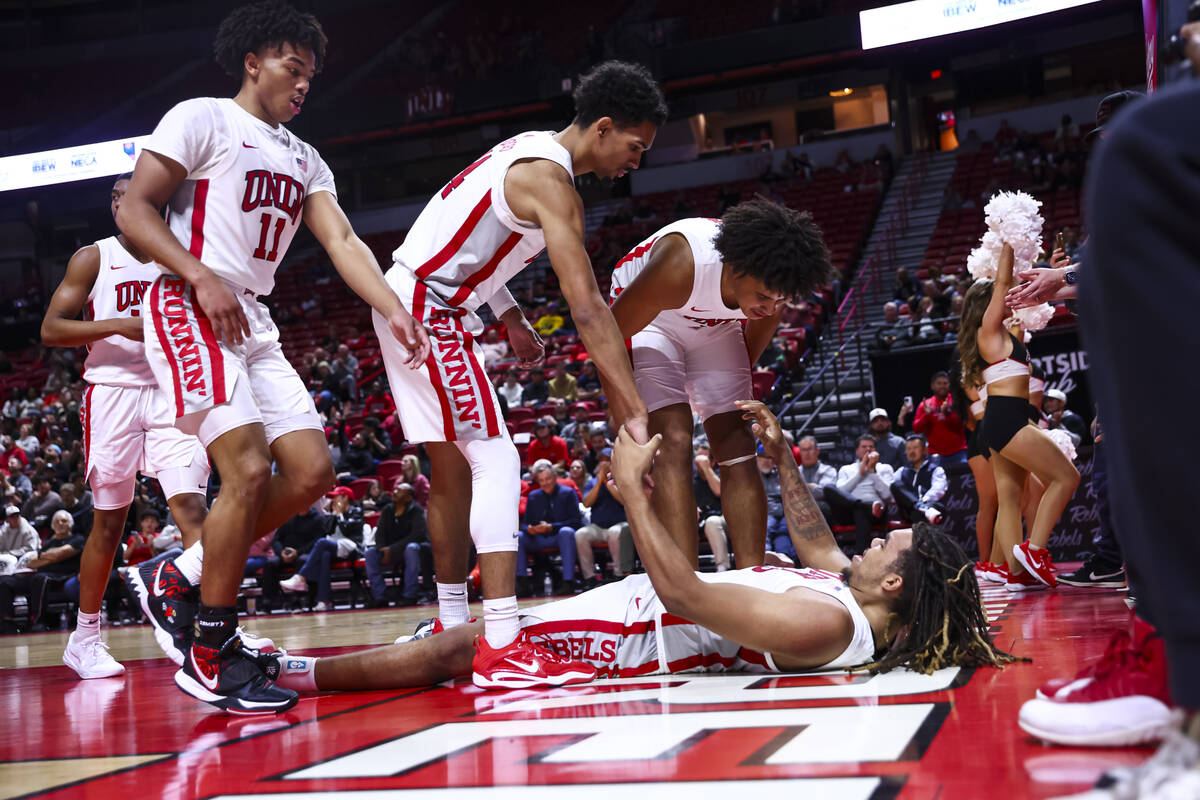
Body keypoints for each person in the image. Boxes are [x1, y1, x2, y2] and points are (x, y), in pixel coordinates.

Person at [116, 1, 429, 712]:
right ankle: (212, 648)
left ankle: (178, 576)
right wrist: (198, 274)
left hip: (251, 317)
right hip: (187, 299)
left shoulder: (304, 158)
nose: (303, 84)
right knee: (249, 469)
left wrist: (392, 307)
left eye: (311, 76)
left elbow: (344, 243)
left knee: (313, 470)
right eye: (294, 68)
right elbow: (133, 209)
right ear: (253, 61)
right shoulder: (202, 118)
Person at [255, 401, 1018, 693]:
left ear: (893, 586)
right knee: (469, 643)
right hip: (639, 612)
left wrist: (629, 492)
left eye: (890, 543)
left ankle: (291, 676)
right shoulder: (849, 599)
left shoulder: (827, 627)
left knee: (466, 650)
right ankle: (308, 668)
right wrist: (783, 459)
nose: (879, 536)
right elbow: (816, 541)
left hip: (639, 635)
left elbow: (686, 594)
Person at [368, 60, 666, 690]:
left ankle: (451, 629)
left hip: (415, 295)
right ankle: (501, 643)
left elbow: (472, 232)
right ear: (604, 128)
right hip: (430, 308)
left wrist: (506, 312)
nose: (636, 161)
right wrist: (632, 405)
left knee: (451, 470)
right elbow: (586, 306)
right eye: (635, 146)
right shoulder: (554, 184)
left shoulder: (525, 150)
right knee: (498, 459)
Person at [38, 173, 212, 680]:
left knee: (192, 509)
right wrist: (117, 324)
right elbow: (52, 329)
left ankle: (213, 631)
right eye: (119, 197)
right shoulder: (93, 257)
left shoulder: (178, 253)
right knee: (109, 522)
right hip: (111, 393)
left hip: (170, 392)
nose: (126, 204)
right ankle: (85, 638)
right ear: (114, 204)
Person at [608, 199, 835, 570]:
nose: (770, 306)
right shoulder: (683, 264)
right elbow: (609, 337)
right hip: (651, 321)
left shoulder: (772, 284)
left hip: (714, 327)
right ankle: (685, 582)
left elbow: (743, 356)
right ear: (735, 269)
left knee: (737, 442)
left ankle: (751, 574)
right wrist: (622, 412)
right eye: (763, 297)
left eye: (780, 301)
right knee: (673, 438)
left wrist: (724, 395)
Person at [958, 245, 1079, 594]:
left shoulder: (1008, 336)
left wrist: (1055, 270)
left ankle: (1015, 572)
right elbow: (1002, 286)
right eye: (1000, 298)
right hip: (1009, 421)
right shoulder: (989, 333)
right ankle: (1034, 551)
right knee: (1066, 477)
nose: (1007, 300)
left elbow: (1026, 302)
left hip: (1000, 423)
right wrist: (1009, 242)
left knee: (1009, 498)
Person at [0, 510, 84, 634]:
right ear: (53, 526)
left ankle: (37, 620)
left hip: (63, 575)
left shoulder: (77, 539)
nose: (60, 524)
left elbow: (61, 555)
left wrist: (45, 557)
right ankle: (7, 622)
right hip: (41, 573)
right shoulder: (49, 543)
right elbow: (31, 562)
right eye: (57, 522)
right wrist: (53, 556)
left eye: (64, 521)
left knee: (40, 579)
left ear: (70, 524)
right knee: (6, 581)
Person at [279, 486, 363, 610]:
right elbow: (327, 529)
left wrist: (340, 515)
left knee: (322, 543)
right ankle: (324, 600)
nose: (333, 500)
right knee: (324, 556)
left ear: (345, 498)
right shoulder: (333, 513)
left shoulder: (357, 511)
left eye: (336, 497)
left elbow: (348, 529)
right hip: (335, 548)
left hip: (351, 547)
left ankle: (301, 577)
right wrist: (332, 514)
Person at [364, 482, 430, 608]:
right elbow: (380, 534)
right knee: (370, 553)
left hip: (409, 550)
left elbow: (417, 535)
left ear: (408, 497)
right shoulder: (388, 510)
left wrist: (392, 549)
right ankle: (380, 596)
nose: (394, 492)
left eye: (399, 491)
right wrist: (382, 549)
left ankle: (410, 595)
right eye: (395, 489)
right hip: (390, 551)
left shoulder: (416, 510)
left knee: (411, 548)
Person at [828, 436, 894, 554]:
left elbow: (889, 496)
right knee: (829, 488)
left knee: (861, 511)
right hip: (850, 511)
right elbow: (841, 492)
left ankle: (860, 556)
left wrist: (873, 471)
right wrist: (860, 473)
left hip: (878, 512)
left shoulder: (884, 468)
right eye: (864, 446)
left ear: (876, 451)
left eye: (871, 447)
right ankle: (862, 506)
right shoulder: (847, 469)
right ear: (857, 450)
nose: (868, 449)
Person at [574, 449, 629, 589]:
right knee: (581, 534)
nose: (604, 463)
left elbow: (624, 500)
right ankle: (590, 578)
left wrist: (607, 482)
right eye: (601, 460)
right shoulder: (591, 482)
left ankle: (619, 574)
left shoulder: (623, 478)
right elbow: (586, 503)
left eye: (607, 459)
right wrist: (599, 482)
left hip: (620, 523)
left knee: (615, 533)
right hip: (597, 527)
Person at [912, 372, 967, 467]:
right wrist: (927, 416)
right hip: (935, 456)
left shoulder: (956, 402)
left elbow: (963, 424)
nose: (942, 386)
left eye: (945, 383)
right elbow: (916, 429)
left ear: (950, 385)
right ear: (932, 386)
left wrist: (948, 413)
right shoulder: (925, 405)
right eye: (939, 383)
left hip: (958, 452)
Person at [891, 435, 947, 525]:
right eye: (908, 449)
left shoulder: (936, 469)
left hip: (931, 505)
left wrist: (923, 502)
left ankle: (922, 508)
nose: (911, 451)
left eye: (915, 448)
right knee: (895, 485)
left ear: (925, 450)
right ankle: (921, 508)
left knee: (923, 511)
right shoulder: (901, 471)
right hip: (909, 510)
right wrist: (918, 505)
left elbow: (938, 490)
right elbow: (890, 489)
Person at [0, 505, 39, 576]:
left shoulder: (29, 530)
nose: (15, 518)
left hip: (25, 560)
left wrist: (11, 553)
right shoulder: (3, 531)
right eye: (12, 516)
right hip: (8, 560)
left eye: (17, 515)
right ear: (7, 520)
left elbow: (31, 549)